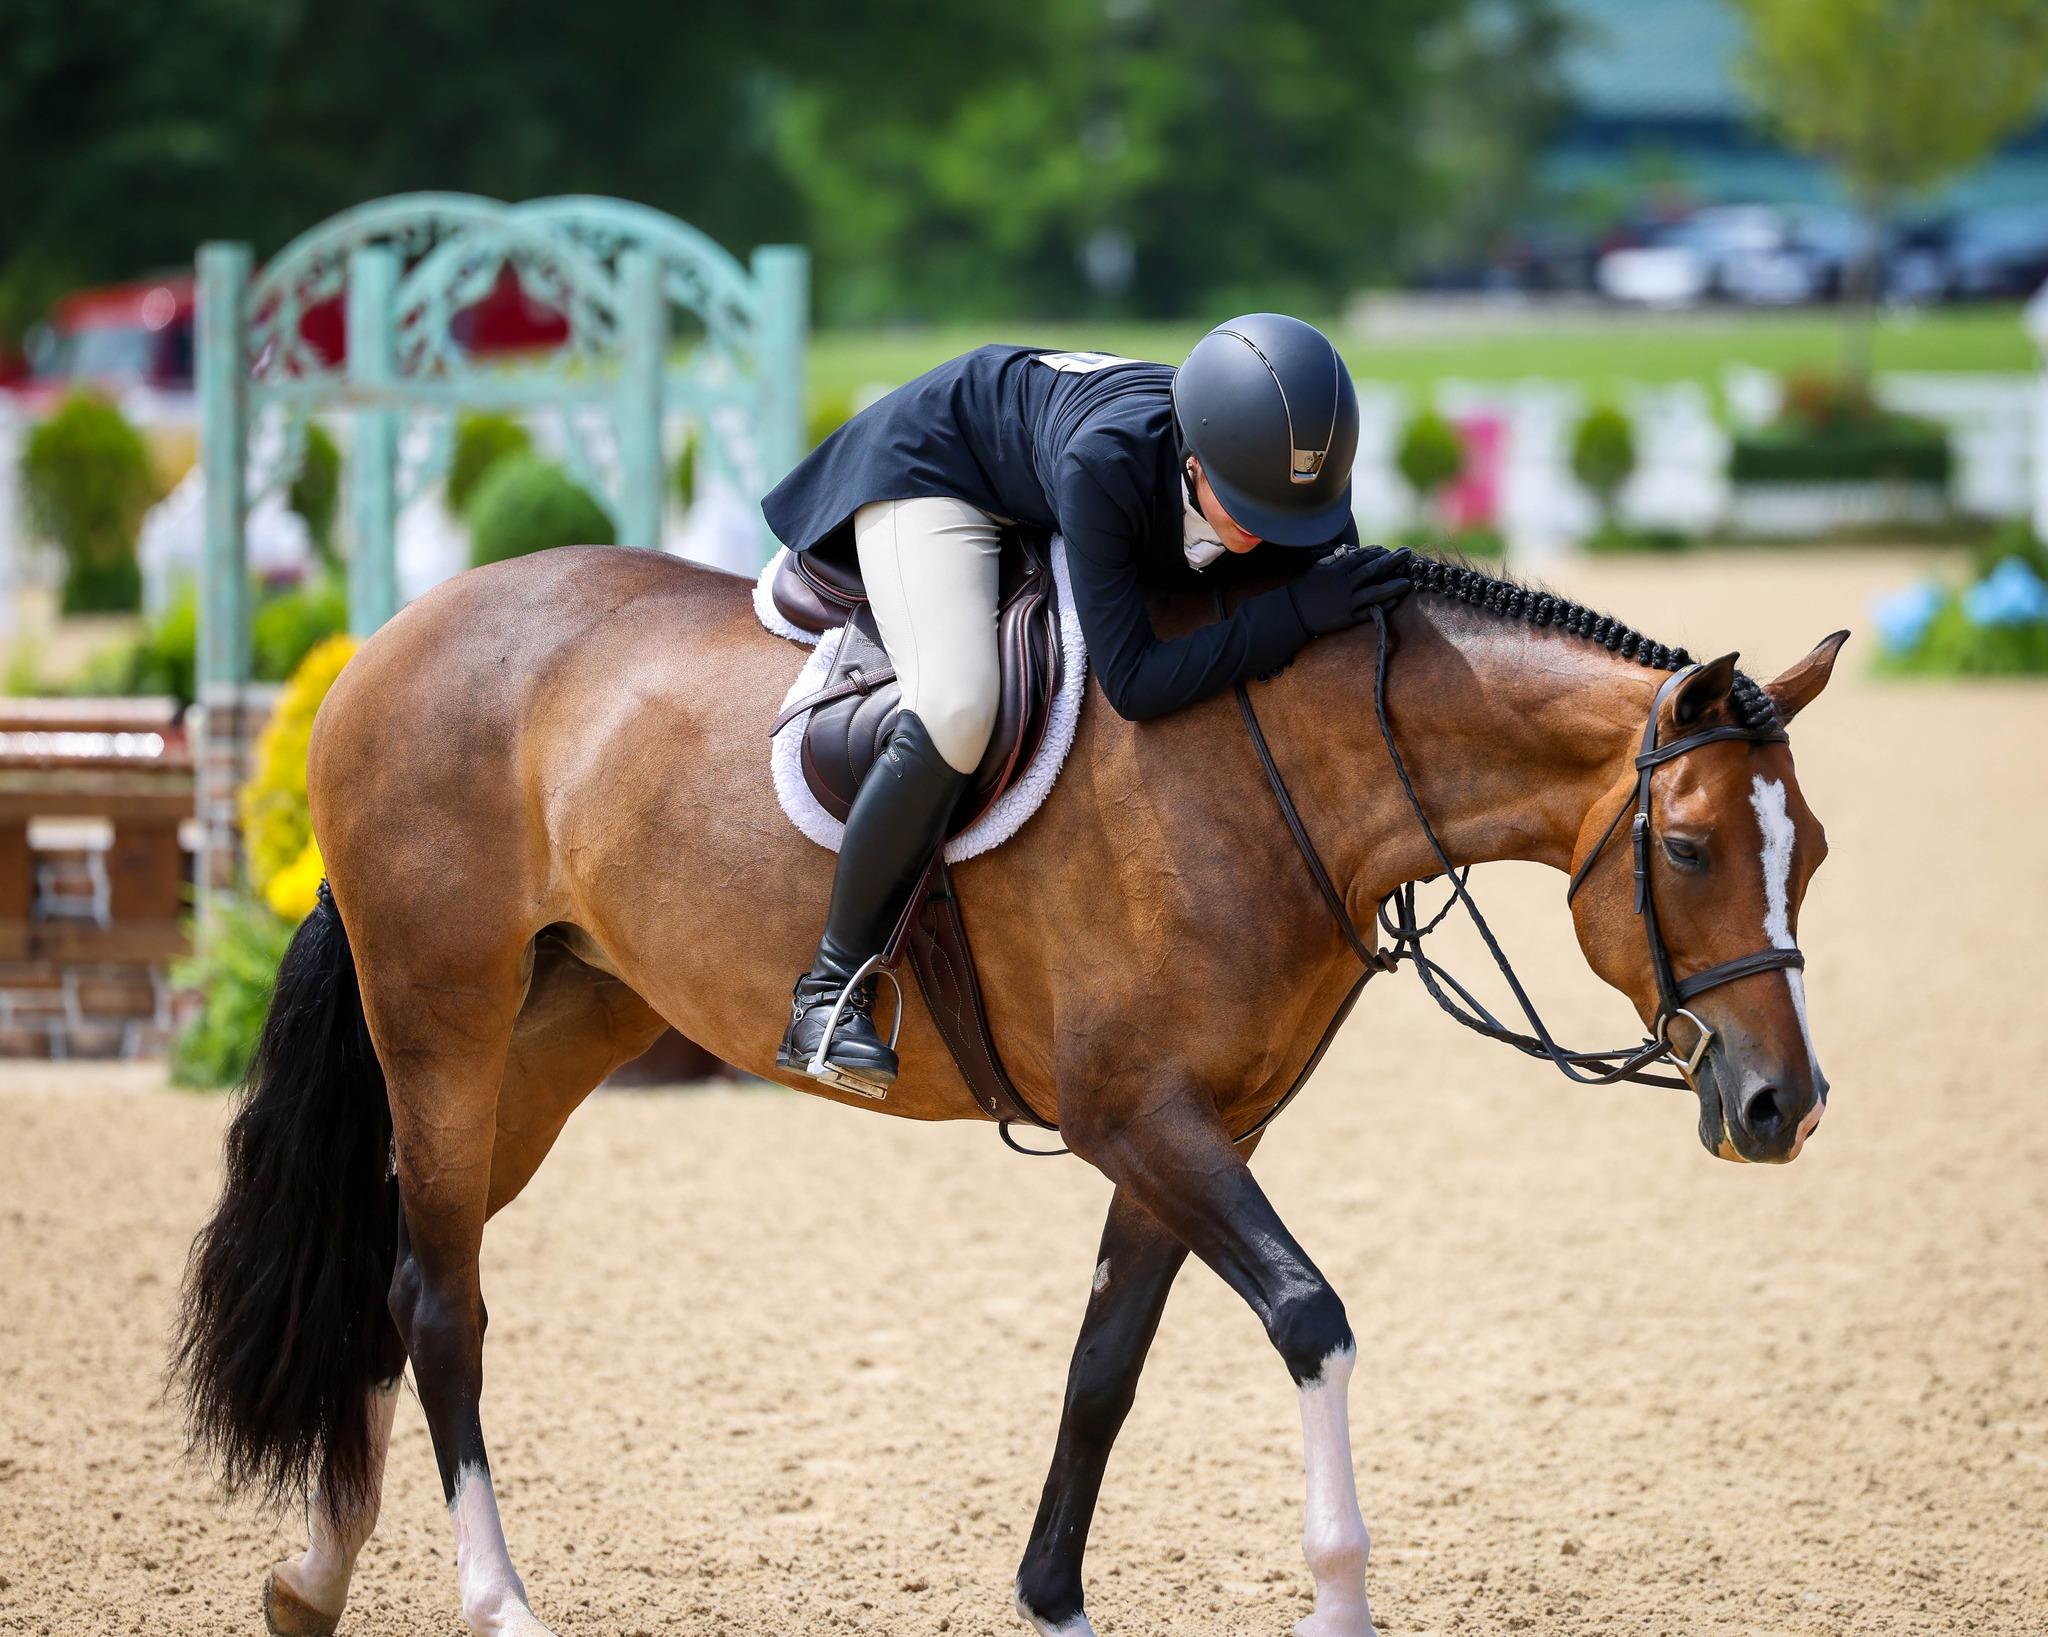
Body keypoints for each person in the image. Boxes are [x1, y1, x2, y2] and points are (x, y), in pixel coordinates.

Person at [761, 314, 1413, 1090]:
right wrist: (1293, 613)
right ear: (1193, 458)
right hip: (936, 469)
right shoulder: (1105, 464)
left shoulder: (1280, 476)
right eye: (1242, 509)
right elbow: (1134, 683)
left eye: (1282, 518)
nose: (1260, 534)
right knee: (959, 705)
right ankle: (829, 991)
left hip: (1040, 448)